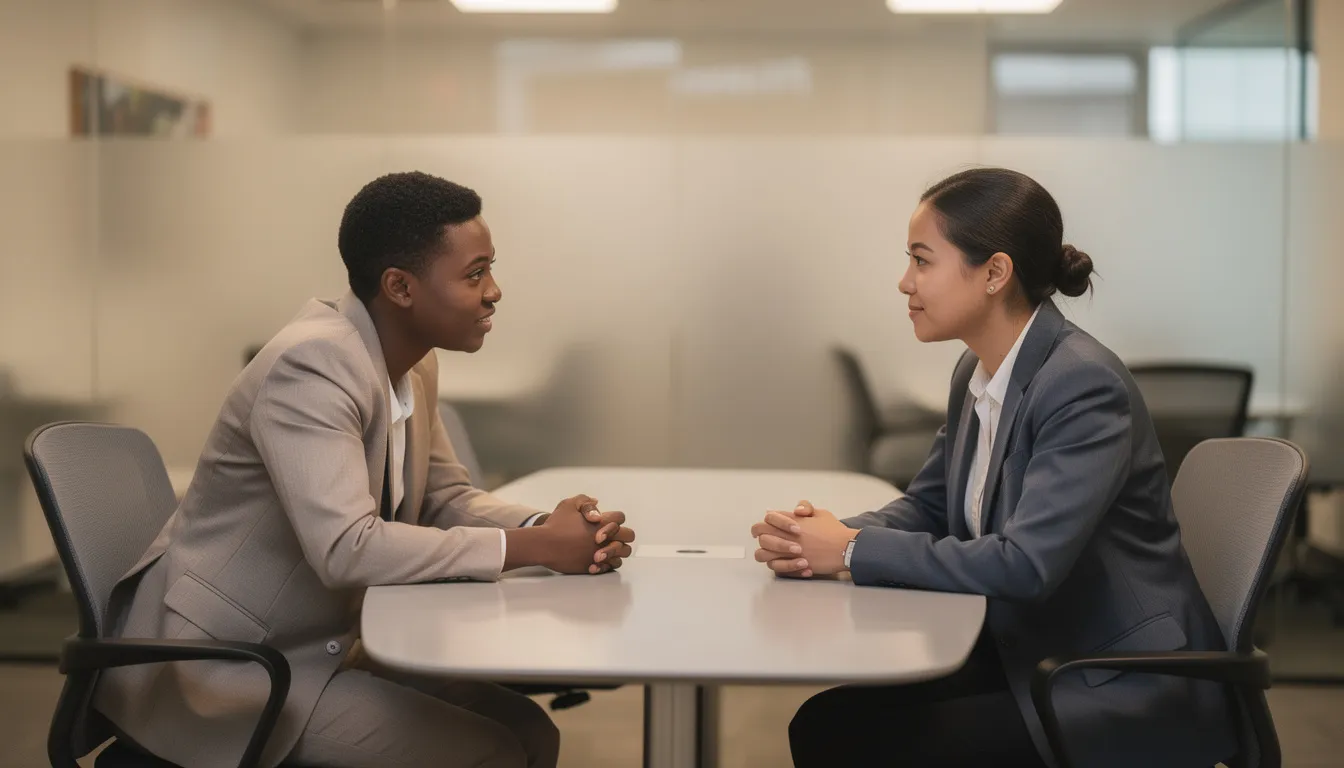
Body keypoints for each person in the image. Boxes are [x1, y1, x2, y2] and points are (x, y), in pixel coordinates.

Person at [93, 171, 636, 768]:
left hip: (321, 644)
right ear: (400, 287)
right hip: (235, 666)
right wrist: (531, 547)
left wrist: (548, 526)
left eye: (490, 268)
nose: (494, 291)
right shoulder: (312, 366)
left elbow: (444, 495)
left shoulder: (413, 363)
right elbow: (346, 548)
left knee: (529, 730)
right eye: (474, 273)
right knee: (491, 752)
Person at [751, 168, 1236, 768]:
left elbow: (1025, 563)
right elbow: (929, 505)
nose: (905, 282)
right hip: (1038, 649)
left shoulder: (1081, 384)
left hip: (1117, 680)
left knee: (848, 741)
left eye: (923, 261)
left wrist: (850, 550)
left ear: (994, 273)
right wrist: (815, 539)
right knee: (826, 723)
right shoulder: (977, 372)